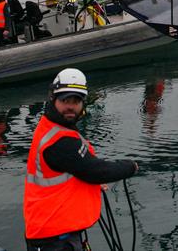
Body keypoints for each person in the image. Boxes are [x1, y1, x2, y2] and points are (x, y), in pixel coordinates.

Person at [24, 69, 138, 251]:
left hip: (53, 233)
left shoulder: (52, 125)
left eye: (75, 101)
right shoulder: (60, 141)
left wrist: (87, 184)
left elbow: (70, 169)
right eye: (65, 100)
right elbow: (98, 171)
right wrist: (131, 167)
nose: (70, 106)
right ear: (53, 99)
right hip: (54, 241)